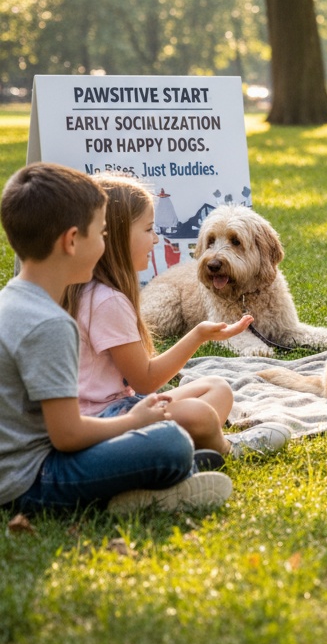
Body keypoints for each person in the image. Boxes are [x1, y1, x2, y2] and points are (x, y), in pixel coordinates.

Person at [0, 163, 230, 514]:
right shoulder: (50, 323)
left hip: (23, 468)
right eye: (102, 233)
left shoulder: (13, 299)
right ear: (72, 240)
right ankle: (157, 489)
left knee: (182, 420)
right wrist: (134, 422)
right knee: (170, 444)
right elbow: (68, 436)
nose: (107, 243)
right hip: (34, 480)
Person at [63, 173, 290, 468]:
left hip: (121, 405)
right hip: (106, 419)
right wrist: (198, 336)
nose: (156, 239)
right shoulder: (108, 302)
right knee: (200, 413)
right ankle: (228, 447)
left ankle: (191, 443)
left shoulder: (101, 293)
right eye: (148, 230)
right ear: (117, 237)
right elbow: (145, 380)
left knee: (218, 388)